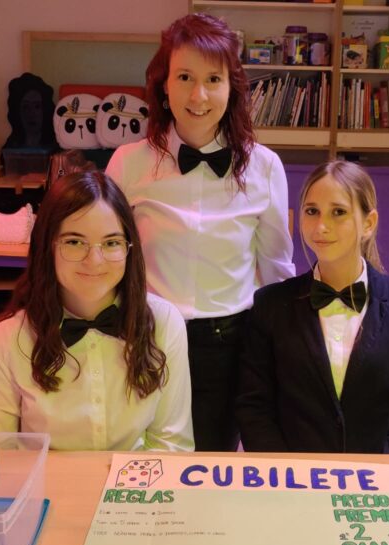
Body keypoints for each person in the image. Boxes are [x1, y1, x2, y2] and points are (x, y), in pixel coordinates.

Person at [106, 13, 294, 451]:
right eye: (185, 77)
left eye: (213, 79)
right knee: (140, 457)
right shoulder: (128, 164)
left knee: (211, 461)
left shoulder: (265, 167)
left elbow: (275, 268)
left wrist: (286, 350)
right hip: (146, 339)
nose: (199, 95)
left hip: (229, 347)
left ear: (232, 88)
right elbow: (110, 261)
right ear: (163, 85)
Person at [0, 170, 193, 451]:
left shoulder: (165, 323)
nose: (94, 260)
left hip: (133, 479)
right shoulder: (7, 340)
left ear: (129, 248)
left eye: (111, 243)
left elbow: (171, 444)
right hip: (43, 479)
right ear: (47, 247)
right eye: (74, 242)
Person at [236, 160, 389, 454]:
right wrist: (289, 473)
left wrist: (374, 475)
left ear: (368, 223)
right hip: (293, 477)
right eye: (312, 211)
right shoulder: (270, 306)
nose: (321, 226)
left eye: (338, 212)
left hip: (379, 479)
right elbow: (254, 408)